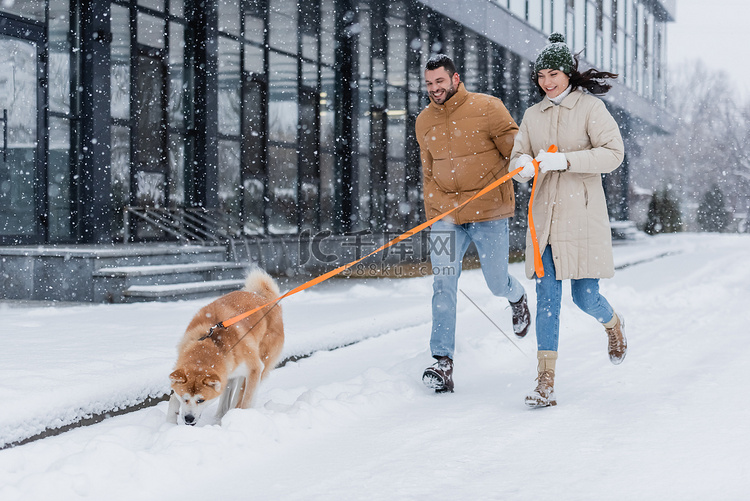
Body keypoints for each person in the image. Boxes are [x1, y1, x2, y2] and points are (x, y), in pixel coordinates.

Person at [510, 33, 627, 408]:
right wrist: (522, 169)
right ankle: (546, 381)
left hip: (582, 216)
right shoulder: (532, 115)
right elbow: (516, 158)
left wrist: (568, 161)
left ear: (568, 73)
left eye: (554, 73)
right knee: (547, 299)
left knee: (584, 296)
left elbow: (613, 154)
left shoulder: (590, 109)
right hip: (543, 219)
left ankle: (612, 323)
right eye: (541, 74)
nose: (547, 81)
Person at [415, 54, 530, 393]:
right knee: (443, 284)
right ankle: (442, 362)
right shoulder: (423, 121)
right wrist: (436, 210)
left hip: (489, 212)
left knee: (496, 282)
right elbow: (428, 171)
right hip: (445, 218)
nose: (435, 88)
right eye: (429, 83)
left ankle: (517, 296)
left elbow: (516, 149)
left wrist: (524, 162)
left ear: (455, 79)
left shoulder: (489, 108)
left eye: (440, 81)